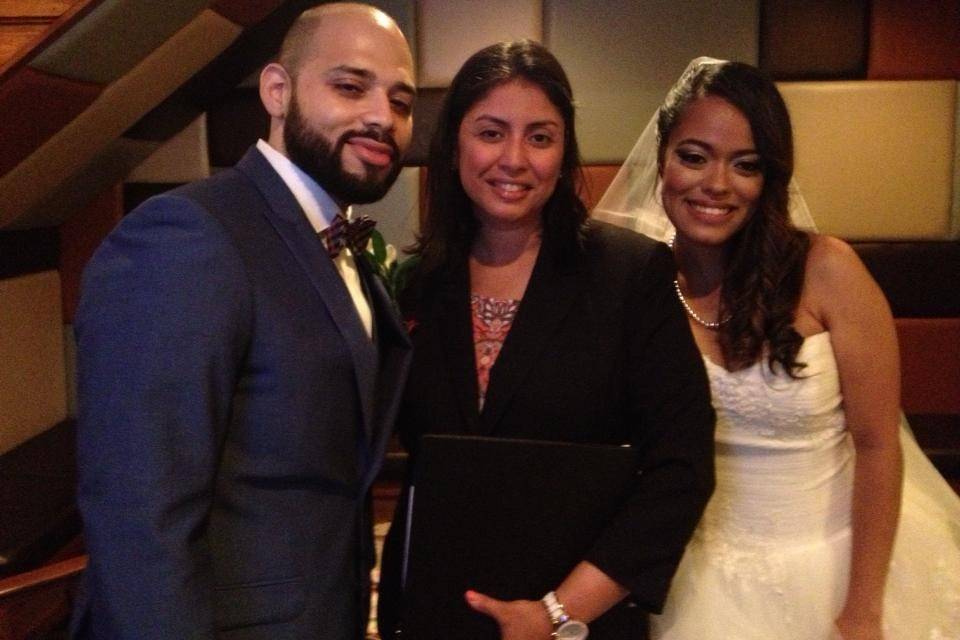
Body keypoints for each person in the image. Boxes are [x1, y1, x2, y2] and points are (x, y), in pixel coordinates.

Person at [70, 4, 415, 638]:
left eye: (401, 101)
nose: (381, 117)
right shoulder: (188, 235)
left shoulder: (344, 248)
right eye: (349, 86)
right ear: (277, 91)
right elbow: (139, 520)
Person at [595, 57, 960, 639]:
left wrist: (862, 609)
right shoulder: (636, 281)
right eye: (694, 156)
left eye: (746, 165)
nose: (716, 184)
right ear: (660, 158)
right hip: (690, 571)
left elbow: (876, 445)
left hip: (836, 562)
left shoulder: (828, 270)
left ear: (770, 178)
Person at [376, 40, 716, 639]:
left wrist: (560, 612)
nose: (514, 159)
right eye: (490, 132)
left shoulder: (629, 274)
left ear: (564, 153)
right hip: (438, 612)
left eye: (540, 137)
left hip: (578, 621)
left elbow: (681, 469)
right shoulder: (416, 283)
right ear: (454, 142)